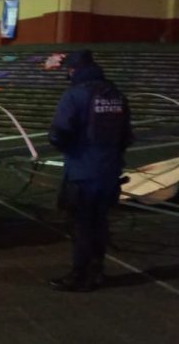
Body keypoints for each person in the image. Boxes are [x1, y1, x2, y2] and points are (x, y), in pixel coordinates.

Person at [47, 49, 133, 292]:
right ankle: (97, 271)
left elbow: (58, 133)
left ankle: (80, 274)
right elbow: (126, 135)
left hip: (82, 171)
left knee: (81, 224)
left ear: (73, 70)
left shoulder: (75, 95)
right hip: (109, 170)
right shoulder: (115, 94)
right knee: (100, 222)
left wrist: (69, 148)